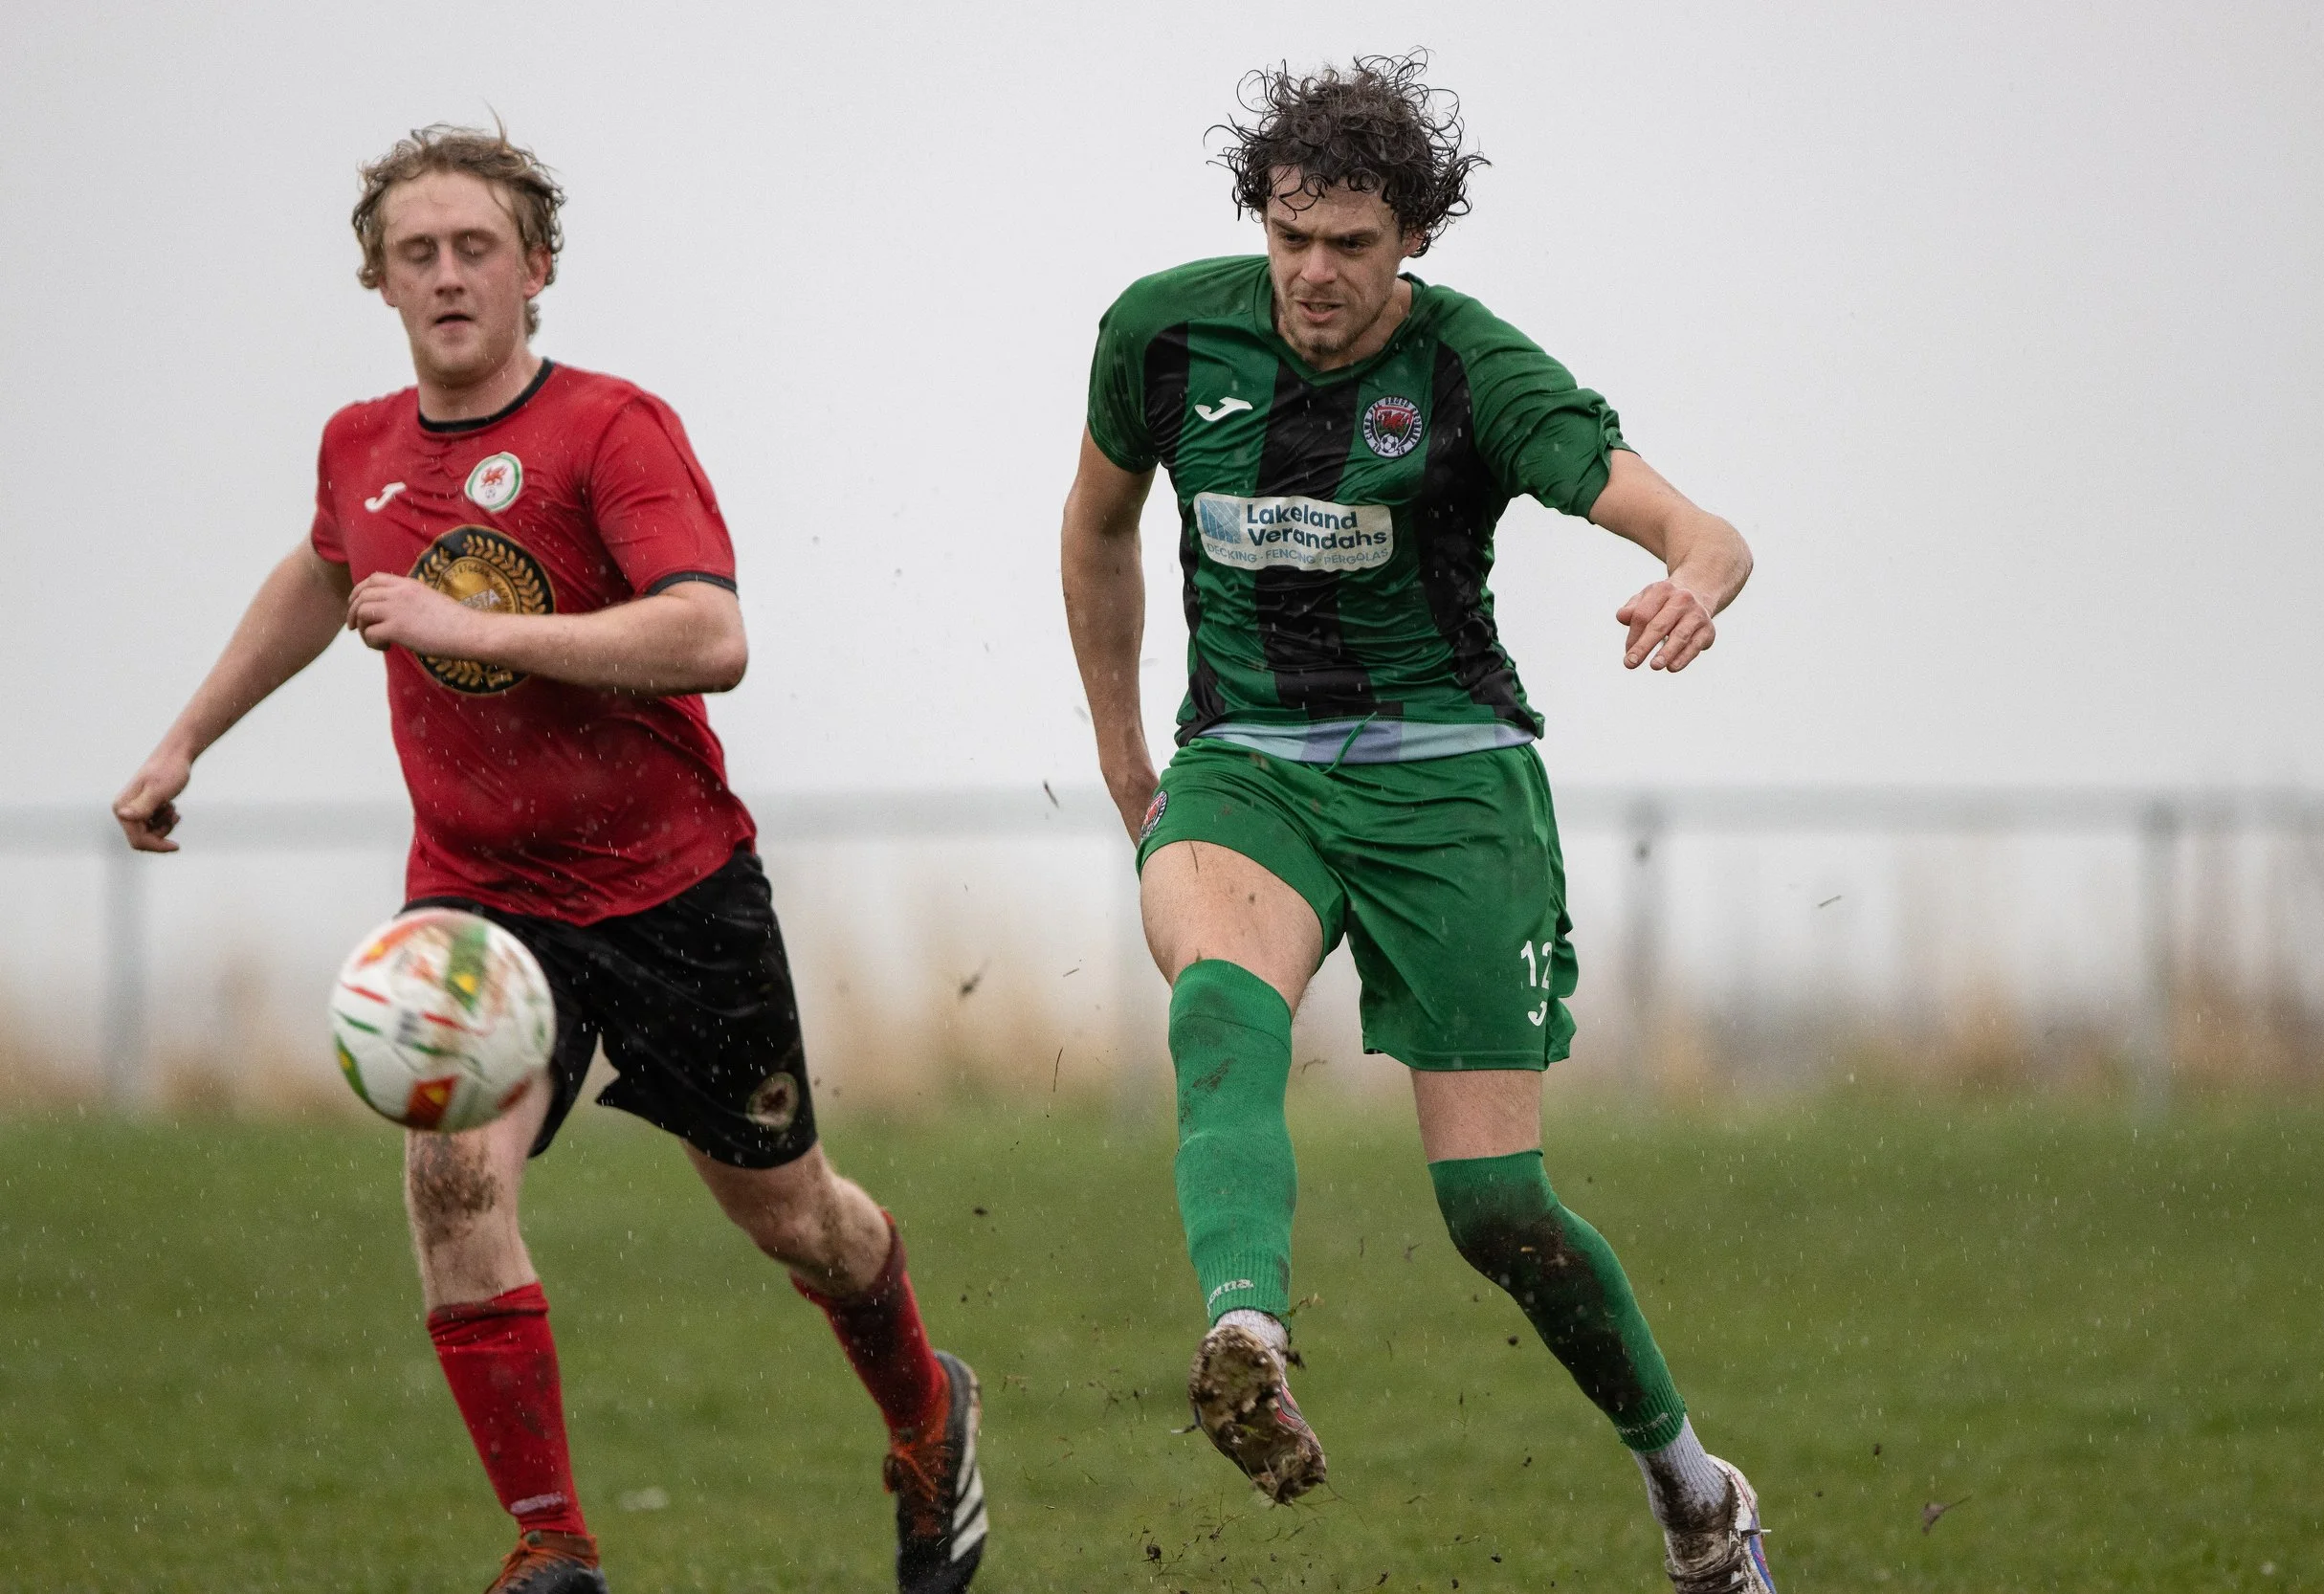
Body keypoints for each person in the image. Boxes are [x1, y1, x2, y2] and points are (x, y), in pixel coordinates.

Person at [111, 125, 986, 1594]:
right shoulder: (359, 443)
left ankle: (928, 1415)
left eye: (476, 248)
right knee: (451, 1175)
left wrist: (482, 630)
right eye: (417, 253)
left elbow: (712, 634)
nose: (448, 276)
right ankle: (549, 1546)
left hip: (676, 893)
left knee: (798, 1218)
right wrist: (184, 736)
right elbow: (325, 569)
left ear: (538, 267)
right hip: (477, 905)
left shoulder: (611, 429)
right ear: (378, 278)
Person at [1060, 56, 1771, 1593]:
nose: (1316, 274)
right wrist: (1123, 748)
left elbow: (1696, 525)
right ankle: (1246, 1326)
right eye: (1292, 235)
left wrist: (1692, 584)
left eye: (1354, 246)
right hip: (1247, 760)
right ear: (1263, 219)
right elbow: (1098, 525)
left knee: (1494, 1207)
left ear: (1415, 244)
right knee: (1219, 1006)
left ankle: (1694, 1487)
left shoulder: (1474, 372)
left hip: (1451, 778)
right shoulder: (1164, 333)